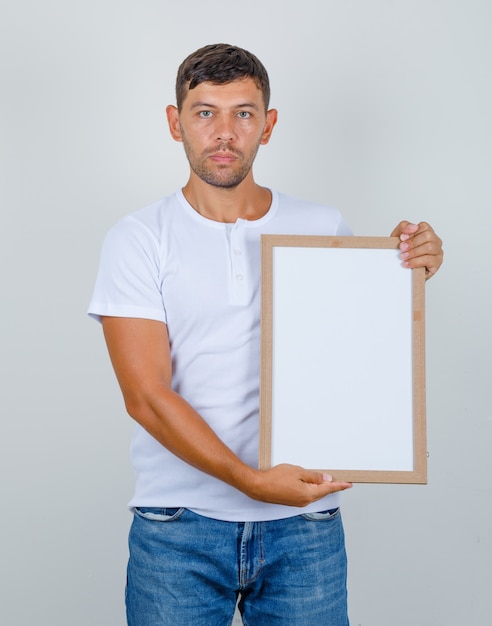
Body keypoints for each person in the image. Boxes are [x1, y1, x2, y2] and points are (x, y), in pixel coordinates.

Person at [88, 43, 444, 625]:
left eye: (244, 113)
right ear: (175, 122)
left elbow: (354, 350)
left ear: (268, 125)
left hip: (303, 526)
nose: (224, 132)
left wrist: (409, 265)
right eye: (205, 112)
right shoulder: (138, 238)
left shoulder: (320, 227)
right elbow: (146, 397)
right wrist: (252, 483)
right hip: (177, 525)